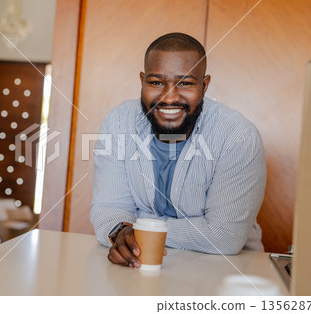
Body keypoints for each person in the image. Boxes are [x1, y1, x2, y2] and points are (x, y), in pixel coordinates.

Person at [90, 33, 266, 268]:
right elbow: (108, 210)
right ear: (142, 81)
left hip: (224, 272)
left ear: (204, 85)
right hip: (138, 264)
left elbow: (224, 238)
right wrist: (119, 230)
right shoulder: (118, 123)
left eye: (184, 83)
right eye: (156, 82)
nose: (169, 97)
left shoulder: (238, 136)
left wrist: (132, 229)